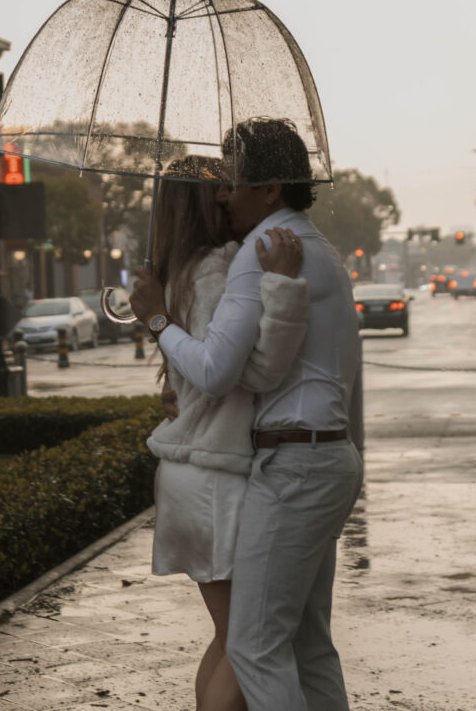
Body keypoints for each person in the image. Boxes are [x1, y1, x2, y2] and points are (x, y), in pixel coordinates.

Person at [131, 118, 363, 711]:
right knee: (308, 645)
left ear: (271, 189)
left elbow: (219, 371)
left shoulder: (258, 256)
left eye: (234, 181)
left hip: (292, 465)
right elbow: (252, 372)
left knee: (255, 647)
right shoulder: (324, 253)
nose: (223, 193)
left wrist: (158, 323)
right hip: (327, 458)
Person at [140, 156, 311, 711]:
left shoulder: (181, 270)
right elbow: (236, 372)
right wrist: (282, 286)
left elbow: (192, 372)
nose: (229, 197)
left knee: (230, 637)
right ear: (205, 201)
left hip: (192, 472)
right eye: (221, 189)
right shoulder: (220, 267)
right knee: (248, 643)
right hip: (215, 476)